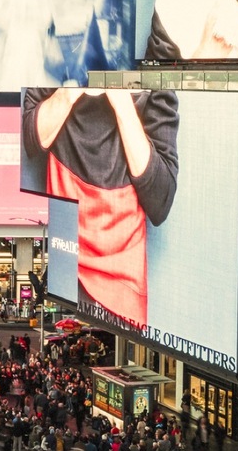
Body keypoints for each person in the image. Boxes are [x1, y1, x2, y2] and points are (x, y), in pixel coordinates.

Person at [24, 88, 179, 328]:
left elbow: (161, 202)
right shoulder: (61, 60)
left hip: (121, 282)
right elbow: (31, 138)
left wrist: (121, 99)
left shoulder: (155, 70)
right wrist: (71, 87)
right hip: (68, 262)